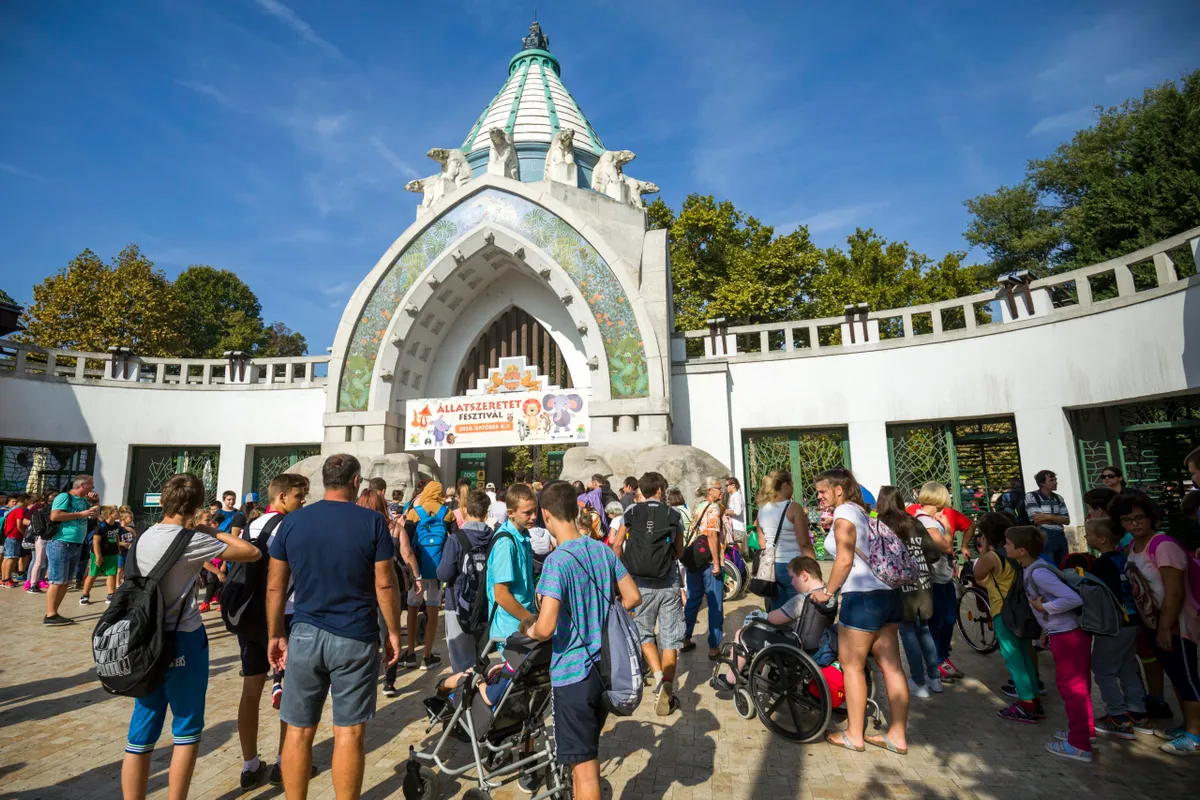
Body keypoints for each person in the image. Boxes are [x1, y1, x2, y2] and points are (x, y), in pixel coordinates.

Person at [266, 454, 404, 799]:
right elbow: (385, 584)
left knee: (298, 731)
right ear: (355, 482)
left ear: (325, 480)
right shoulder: (372, 522)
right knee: (349, 732)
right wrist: (392, 630)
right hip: (355, 634)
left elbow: (275, 587)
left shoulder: (292, 522)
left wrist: (275, 633)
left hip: (305, 633)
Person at [121, 473, 261, 800]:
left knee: (141, 731)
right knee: (186, 729)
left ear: (163, 500)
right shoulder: (191, 540)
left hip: (143, 638)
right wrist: (211, 530)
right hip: (182, 638)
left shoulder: (144, 536)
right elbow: (250, 552)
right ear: (197, 505)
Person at [519, 481, 641, 800]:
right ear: (576, 510)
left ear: (546, 515)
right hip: (604, 669)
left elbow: (546, 627)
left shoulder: (557, 562)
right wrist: (601, 615)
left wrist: (527, 629)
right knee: (582, 761)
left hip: (573, 675)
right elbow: (632, 597)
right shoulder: (601, 549)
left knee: (586, 774)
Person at [810, 467, 909, 754]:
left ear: (838, 489)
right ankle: (898, 735)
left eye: (822, 491)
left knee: (851, 665)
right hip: (888, 594)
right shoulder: (864, 512)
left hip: (862, 597)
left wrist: (828, 591)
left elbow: (844, 560)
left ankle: (854, 734)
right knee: (892, 667)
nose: (819, 497)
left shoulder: (844, 514)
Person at [234, 473, 309, 790]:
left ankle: (250, 765)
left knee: (250, 690)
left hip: (251, 615)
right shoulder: (293, 526)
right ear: (282, 497)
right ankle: (283, 762)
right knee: (291, 691)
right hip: (287, 614)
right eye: (299, 496)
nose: (303, 502)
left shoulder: (251, 525)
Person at [1116, 489, 1200, 755]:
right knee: (1176, 676)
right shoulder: (1134, 546)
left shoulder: (1163, 546)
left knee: (1187, 679)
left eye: (1139, 517)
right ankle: (1188, 726)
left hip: (1177, 624)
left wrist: (1165, 627)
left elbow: (1175, 592)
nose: (1134, 524)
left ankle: (1195, 737)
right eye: (1127, 519)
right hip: (1154, 624)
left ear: (1150, 517)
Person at [1006, 525, 1094, 763]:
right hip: (1062, 632)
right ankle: (1084, 731)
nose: (1005, 546)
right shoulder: (1034, 568)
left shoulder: (1038, 573)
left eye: (1008, 543)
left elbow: (1072, 598)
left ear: (1022, 550)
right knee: (1078, 686)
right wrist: (1046, 628)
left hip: (1068, 635)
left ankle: (1079, 744)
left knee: (1072, 688)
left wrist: (1044, 607)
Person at [610, 472, 684, 716]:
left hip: (639, 584)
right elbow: (679, 552)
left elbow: (617, 545)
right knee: (670, 639)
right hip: (669, 583)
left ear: (641, 490)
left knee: (644, 633)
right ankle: (668, 690)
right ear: (660, 491)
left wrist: (623, 575)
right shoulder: (674, 514)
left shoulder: (630, 512)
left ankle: (660, 678)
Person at [712, 556, 829, 688]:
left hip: (792, 644)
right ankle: (758, 671)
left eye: (792, 577)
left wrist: (759, 615)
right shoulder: (827, 595)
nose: (791, 582)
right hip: (815, 645)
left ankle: (730, 679)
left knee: (742, 633)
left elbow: (773, 618)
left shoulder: (801, 600)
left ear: (804, 575)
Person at [973, 512, 1043, 723]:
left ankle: (1026, 705)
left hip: (1003, 612)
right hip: (1022, 610)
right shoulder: (1015, 554)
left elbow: (978, 574)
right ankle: (1034, 699)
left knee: (1013, 659)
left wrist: (984, 549)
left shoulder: (993, 557)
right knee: (1025, 655)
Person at [1084, 515, 1149, 739]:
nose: (1086, 537)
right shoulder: (1123, 557)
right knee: (1127, 666)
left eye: (1088, 534)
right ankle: (1138, 712)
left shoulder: (1101, 563)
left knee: (1103, 669)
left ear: (1102, 539)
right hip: (1133, 621)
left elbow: (1095, 593)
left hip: (1113, 624)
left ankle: (1117, 716)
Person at [878, 486, 942, 699]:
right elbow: (933, 553)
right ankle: (935, 678)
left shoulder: (882, 524)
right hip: (923, 584)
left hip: (900, 587)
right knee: (924, 630)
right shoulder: (914, 522)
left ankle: (918, 681)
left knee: (908, 633)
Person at [436, 489, 493, 674]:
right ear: (486, 513)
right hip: (485, 604)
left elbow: (444, 574)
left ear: (466, 511)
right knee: (480, 657)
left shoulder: (456, 539)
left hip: (458, 603)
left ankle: (465, 690)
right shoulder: (493, 537)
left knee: (461, 661)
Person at [909, 482, 961, 682]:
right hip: (935, 579)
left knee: (947, 619)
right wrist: (947, 526)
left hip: (942, 576)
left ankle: (942, 659)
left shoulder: (929, 519)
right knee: (940, 621)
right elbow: (946, 546)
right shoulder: (926, 521)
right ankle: (937, 662)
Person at [401, 480, 456, 670]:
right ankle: (427, 656)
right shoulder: (447, 513)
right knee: (433, 611)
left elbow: (406, 542)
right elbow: (455, 540)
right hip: (437, 570)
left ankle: (410, 653)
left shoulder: (414, 513)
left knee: (412, 608)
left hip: (418, 569)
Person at [486, 483, 538, 654]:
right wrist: (531, 620)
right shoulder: (506, 543)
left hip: (521, 623)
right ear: (510, 513)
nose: (533, 517)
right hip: (510, 629)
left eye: (535, 511)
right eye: (527, 513)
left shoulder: (522, 535)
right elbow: (501, 595)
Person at [754, 470, 815, 611]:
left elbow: (762, 542)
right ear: (785, 485)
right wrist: (813, 566)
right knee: (798, 608)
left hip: (771, 566)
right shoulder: (794, 508)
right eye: (792, 484)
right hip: (793, 564)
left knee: (777, 609)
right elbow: (804, 542)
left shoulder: (762, 509)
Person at [45, 474, 99, 625]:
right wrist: (81, 514)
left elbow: (96, 515)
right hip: (61, 542)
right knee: (57, 581)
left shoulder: (83, 501)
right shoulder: (64, 497)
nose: (93, 487)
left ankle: (55, 612)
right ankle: (50, 614)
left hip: (76, 544)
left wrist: (96, 502)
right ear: (82, 485)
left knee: (66, 581)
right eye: (91, 484)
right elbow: (55, 516)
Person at [681, 477, 725, 660]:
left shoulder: (698, 506)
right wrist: (716, 562)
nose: (721, 491)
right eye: (718, 488)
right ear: (709, 491)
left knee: (693, 600)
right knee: (715, 603)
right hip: (708, 561)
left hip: (694, 559)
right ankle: (714, 647)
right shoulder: (714, 508)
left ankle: (685, 638)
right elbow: (712, 536)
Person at [1024, 470, 1070, 568]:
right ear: (1042, 483)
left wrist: (1048, 517)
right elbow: (1036, 518)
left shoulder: (1058, 498)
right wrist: (1057, 518)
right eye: (1051, 480)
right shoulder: (1032, 496)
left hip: (1060, 535)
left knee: (1063, 567)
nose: (1055, 482)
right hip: (1045, 534)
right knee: (1048, 566)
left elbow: (1066, 520)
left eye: (1055, 480)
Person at [80, 505, 121, 605]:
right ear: (110, 515)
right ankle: (85, 595)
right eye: (116, 511)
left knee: (112, 574)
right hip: (99, 554)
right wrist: (98, 556)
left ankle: (111, 594)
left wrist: (118, 548)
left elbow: (116, 537)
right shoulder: (101, 527)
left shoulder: (116, 525)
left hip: (112, 554)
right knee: (93, 574)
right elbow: (96, 542)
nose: (118, 513)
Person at [2, 492, 30, 587]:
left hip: (9, 536)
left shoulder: (12, 509)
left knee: (7, 558)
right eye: (29, 501)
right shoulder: (20, 510)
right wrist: (24, 534)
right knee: (12, 558)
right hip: (15, 537)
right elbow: (19, 525)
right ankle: (7, 579)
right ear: (25, 500)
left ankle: (4, 579)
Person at [723, 476, 746, 552]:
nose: (726, 487)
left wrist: (726, 511)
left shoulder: (736, 496)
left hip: (737, 527)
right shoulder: (734, 496)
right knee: (734, 551)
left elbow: (738, 511)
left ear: (733, 485)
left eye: (727, 485)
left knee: (737, 551)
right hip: (735, 527)